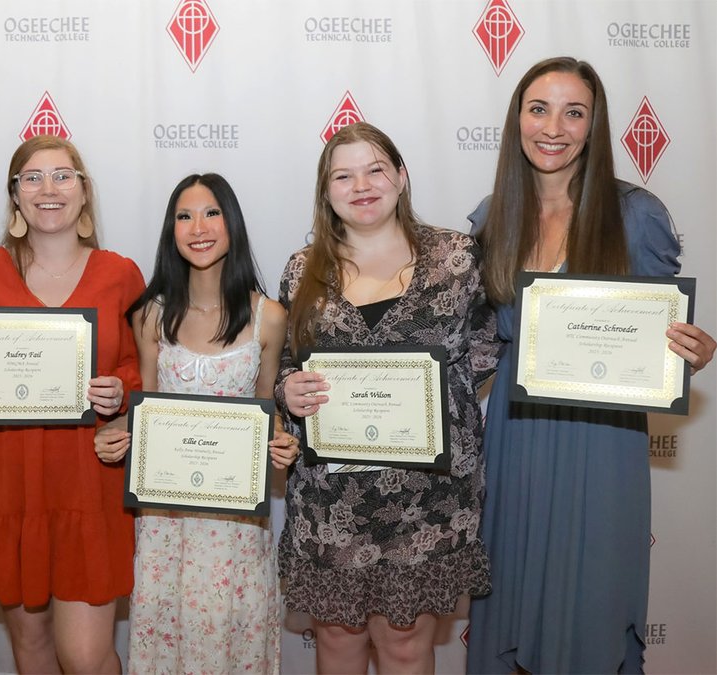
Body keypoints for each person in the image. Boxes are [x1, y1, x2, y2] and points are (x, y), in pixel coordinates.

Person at [465, 56, 716, 674]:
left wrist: (691, 352)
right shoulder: (492, 215)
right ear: (517, 119)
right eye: (539, 109)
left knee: (591, 607)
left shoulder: (636, 213)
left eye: (573, 112)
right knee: (512, 596)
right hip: (516, 435)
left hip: (602, 442)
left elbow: (660, 340)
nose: (554, 127)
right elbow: (472, 339)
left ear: (594, 126)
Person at [275, 121, 498, 674]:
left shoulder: (456, 258)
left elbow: (490, 343)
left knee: (404, 648)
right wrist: (288, 390)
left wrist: (435, 399)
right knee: (338, 645)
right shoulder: (303, 270)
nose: (361, 186)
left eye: (375, 169)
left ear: (400, 176)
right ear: (326, 192)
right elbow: (285, 362)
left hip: (428, 498)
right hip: (332, 501)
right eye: (343, 176)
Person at [0, 135, 142, 673]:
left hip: (87, 482)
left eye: (63, 176)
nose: (49, 189)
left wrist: (121, 390)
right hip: (5, 480)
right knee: (31, 647)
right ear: (15, 196)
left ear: (84, 192)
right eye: (32, 178)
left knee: (86, 657)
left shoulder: (121, 274)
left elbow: (142, 367)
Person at [95, 173, 298, 674]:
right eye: (184, 216)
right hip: (166, 520)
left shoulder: (269, 316)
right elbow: (145, 408)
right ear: (172, 230)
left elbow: (266, 410)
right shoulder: (150, 316)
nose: (198, 228)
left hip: (235, 521)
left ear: (232, 224)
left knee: (231, 637)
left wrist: (280, 443)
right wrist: (115, 434)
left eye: (211, 213)